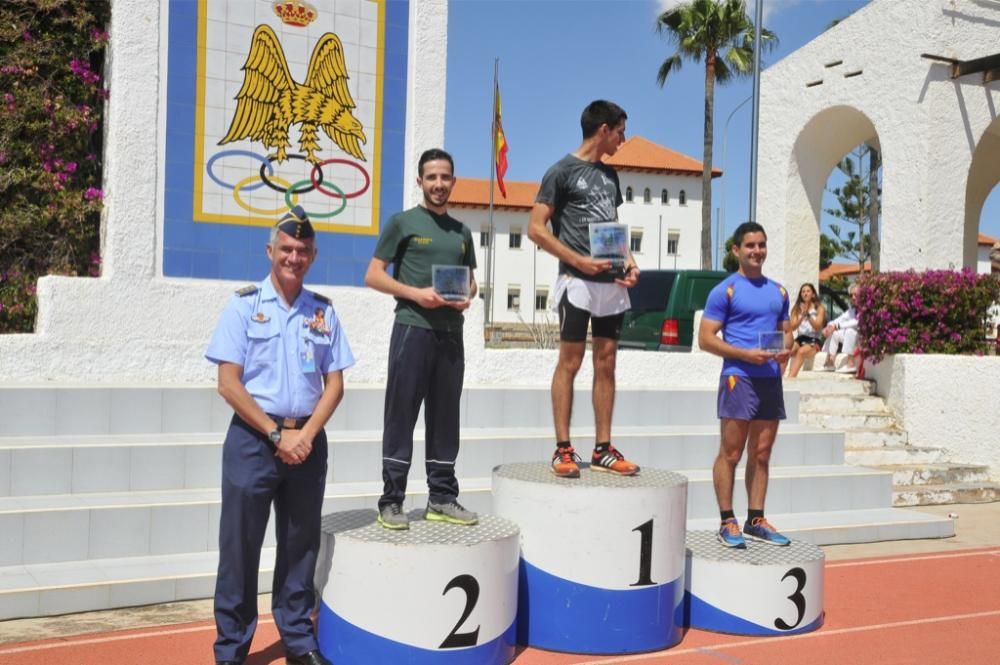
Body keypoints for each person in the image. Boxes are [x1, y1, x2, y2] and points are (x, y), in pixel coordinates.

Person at [206, 205, 354, 665]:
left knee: (300, 545)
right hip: (254, 441)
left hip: (307, 442)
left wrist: (305, 435)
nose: (294, 256)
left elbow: (335, 384)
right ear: (271, 251)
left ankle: (297, 639)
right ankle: (231, 648)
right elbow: (228, 383)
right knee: (239, 547)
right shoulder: (244, 306)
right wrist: (276, 436)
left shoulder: (323, 312)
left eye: (303, 250)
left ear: (312, 255)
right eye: (286, 248)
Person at [364, 148, 479, 530]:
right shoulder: (402, 223)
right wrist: (417, 294)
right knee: (401, 415)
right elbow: (374, 275)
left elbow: (472, 280)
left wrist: (470, 293)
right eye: (431, 177)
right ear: (420, 181)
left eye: (445, 177)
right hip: (412, 328)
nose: (439, 184)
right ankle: (391, 500)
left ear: (453, 181)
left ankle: (442, 497)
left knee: (446, 417)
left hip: (451, 334)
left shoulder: (462, 232)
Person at [527, 99, 641, 479]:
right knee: (571, 362)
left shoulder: (611, 177)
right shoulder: (560, 172)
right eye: (620, 131)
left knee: (606, 362)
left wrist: (629, 261)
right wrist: (577, 261)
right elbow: (536, 229)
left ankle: (603, 448)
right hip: (576, 282)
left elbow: (611, 224)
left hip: (611, 284)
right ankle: (563, 448)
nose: (622, 139)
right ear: (604, 129)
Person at [698, 221, 792, 549]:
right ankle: (727, 520)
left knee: (762, 453)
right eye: (750, 245)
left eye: (761, 245)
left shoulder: (779, 291)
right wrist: (743, 354)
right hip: (738, 378)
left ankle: (756, 520)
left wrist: (785, 350)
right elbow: (705, 339)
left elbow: (785, 332)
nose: (757, 251)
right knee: (732, 452)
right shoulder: (725, 290)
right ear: (737, 250)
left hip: (770, 379)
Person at [784, 283, 825, 378]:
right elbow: (792, 327)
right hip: (800, 339)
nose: (805, 293)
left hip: (814, 340)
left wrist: (808, 315)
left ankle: (790, 379)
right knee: (787, 351)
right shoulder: (796, 308)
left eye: (808, 291)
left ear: (813, 294)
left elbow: (818, 326)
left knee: (801, 352)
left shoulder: (819, 308)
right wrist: (802, 316)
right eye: (803, 291)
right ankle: (779, 377)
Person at [820, 284, 860, 373]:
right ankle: (829, 363)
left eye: (856, 295)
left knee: (850, 330)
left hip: (863, 339)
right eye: (851, 295)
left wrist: (837, 326)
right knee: (834, 333)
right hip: (854, 339)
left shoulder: (865, 308)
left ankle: (850, 364)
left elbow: (857, 323)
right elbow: (839, 319)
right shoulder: (852, 310)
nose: (853, 297)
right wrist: (828, 327)